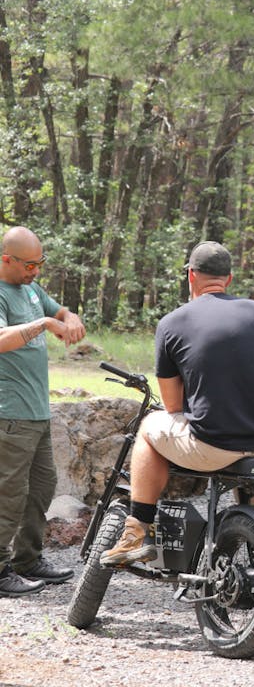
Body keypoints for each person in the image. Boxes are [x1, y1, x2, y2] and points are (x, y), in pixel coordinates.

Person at [101, 241, 254, 568]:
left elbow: (172, 405)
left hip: (213, 447)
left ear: (191, 276)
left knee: (148, 427)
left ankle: (136, 529)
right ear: (228, 279)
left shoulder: (172, 323)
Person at [0, 226, 86, 597]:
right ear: (7, 260)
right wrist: (44, 324)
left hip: (37, 413)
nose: (36, 271)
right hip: (10, 414)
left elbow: (59, 312)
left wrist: (70, 318)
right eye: (30, 265)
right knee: (9, 494)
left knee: (42, 487)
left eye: (40, 264)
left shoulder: (32, 289)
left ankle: (27, 559)